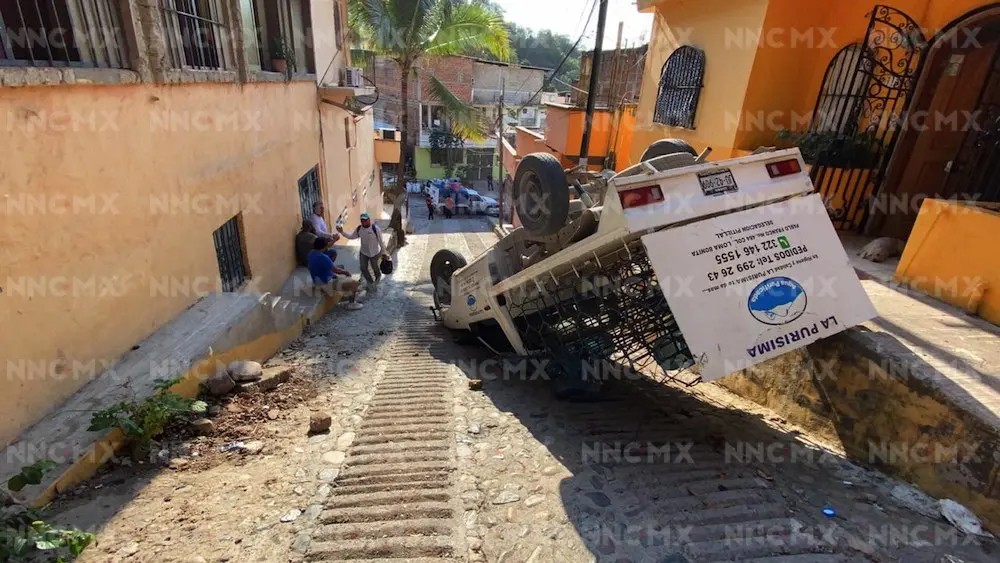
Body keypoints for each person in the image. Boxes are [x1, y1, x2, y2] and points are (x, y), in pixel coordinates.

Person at [337, 213, 389, 294]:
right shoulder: (359, 229)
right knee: (363, 268)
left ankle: (378, 277)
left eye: (365, 220)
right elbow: (351, 237)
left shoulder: (375, 229)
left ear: (369, 220)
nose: (364, 222)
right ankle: (370, 282)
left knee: (375, 267)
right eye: (362, 220)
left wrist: (384, 253)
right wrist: (342, 232)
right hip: (364, 252)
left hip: (375, 253)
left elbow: (381, 242)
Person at [307, 238, 363, 310]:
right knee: (354, 283)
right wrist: (346, 272)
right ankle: (351, 303)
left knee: (341, 268)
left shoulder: (310, 254)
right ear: (324, 247)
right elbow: (336, 270)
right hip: (326, 283)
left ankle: (346, 295)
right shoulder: (324, 257)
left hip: (317, 280)